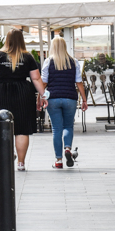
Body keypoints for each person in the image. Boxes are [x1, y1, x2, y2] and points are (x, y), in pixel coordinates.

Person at [0, 28, 48, 171]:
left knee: (3, 126)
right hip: (23, 93)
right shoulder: (28, 57)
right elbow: (36, 78)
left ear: (7, 39)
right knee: (22, 129)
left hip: (2, 92)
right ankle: (21, 163)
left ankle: (8, 156)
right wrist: (44, 95)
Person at [41, 35, 87, 168]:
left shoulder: (48, 62)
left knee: (56, 129)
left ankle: (59, 160)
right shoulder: (74, 61)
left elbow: (44, 82)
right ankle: (67, 148)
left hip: (53, 98)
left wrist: (40, 98)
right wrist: (84, 100)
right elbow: (79, 82)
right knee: (68, 126)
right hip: (70, 98)